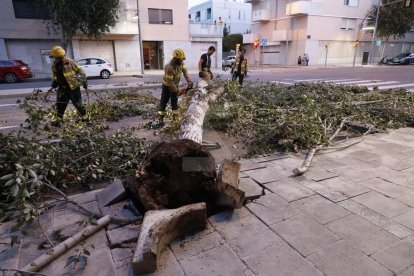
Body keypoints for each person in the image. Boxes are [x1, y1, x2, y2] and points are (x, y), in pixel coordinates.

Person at [50, 46, 87, 126]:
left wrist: (84, 81)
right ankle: (58, 122)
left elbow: (81, 71)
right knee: (60, 105)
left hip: (73, 88)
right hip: (62, 89)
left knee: (78, 104)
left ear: (60, 57)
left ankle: (86, 119)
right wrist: (54, 82)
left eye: (55, 58)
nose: (54, 59)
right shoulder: (55, 65)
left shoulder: (70, 62)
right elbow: (54, 75)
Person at [157, 48, 192, 125]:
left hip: (175, 84)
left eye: (182, 59)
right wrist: (176, 91)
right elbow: (169, 81)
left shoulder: (182, 64)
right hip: (167, 85)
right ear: (175, 59)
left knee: (174, 101)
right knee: (164, 101)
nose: (182, 61)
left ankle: (175, 117)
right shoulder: (169, 67)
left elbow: (186, 73)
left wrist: (190, 82)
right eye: (180, 60)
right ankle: (160, 118)